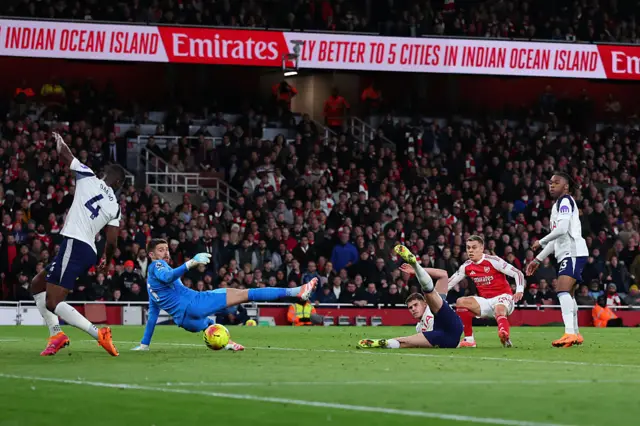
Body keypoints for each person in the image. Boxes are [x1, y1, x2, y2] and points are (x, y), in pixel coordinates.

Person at [131, 239, 318, 351]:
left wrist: (144, 344)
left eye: (167, 249)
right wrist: (191, 263)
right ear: (151, 255)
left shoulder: (150, 285)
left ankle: (227, 343)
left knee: (210, 325)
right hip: (196, 303)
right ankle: (296, 292)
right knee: (247, 293)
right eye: (161, 250)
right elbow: (169, 275)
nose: (166, 253)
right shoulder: (158, 266)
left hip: (186, 322)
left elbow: (153, 315)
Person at [32, 132, 124, 356]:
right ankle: (57, 334)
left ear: (105, 175)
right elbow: (112, 241)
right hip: (86, 249)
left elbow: (66, 155)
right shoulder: (116, 207)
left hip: (75, 243)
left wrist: (59, 140)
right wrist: (107, 261)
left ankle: (97, 333)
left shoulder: (88, 177)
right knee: (37, 284)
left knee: (52, 301)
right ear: (118, 183)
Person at [356, 245, 462, 349]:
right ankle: (384, 342)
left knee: (430, 294)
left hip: (451, 326)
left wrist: (415, 270)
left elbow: (443, 274)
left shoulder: (430, 306)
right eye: (410, 308)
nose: (413, 309)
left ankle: (415, 264)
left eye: (415, 305)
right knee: (406, 342)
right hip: (445, 340)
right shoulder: (419, 327)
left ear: (423, 303)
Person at [527, 172, 589, 347]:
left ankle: (570, 332)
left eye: (556, 182)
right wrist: (538, 259)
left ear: (566, 186)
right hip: (568, 252)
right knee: (568, 293)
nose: (552, 185)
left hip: (573, 252)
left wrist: (540, 241)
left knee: (562, 289)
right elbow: (557, 239)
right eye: (550, 183)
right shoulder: (558, 205)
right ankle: (575, 334)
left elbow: (561, 230)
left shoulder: (565, 202)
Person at [447, 235, 525, 348]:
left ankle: (504, 334)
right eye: (468, 248)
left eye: (474, 247)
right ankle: (469, 340)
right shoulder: (467, 266)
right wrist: (433, 295)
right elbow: (449, 283)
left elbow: (517, 273)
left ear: (482, 248)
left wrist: (519, 291)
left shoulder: (494, 261)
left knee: (499, 308)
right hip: (486, 301)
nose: (470, 251)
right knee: (460, 301)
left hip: (504, 297)